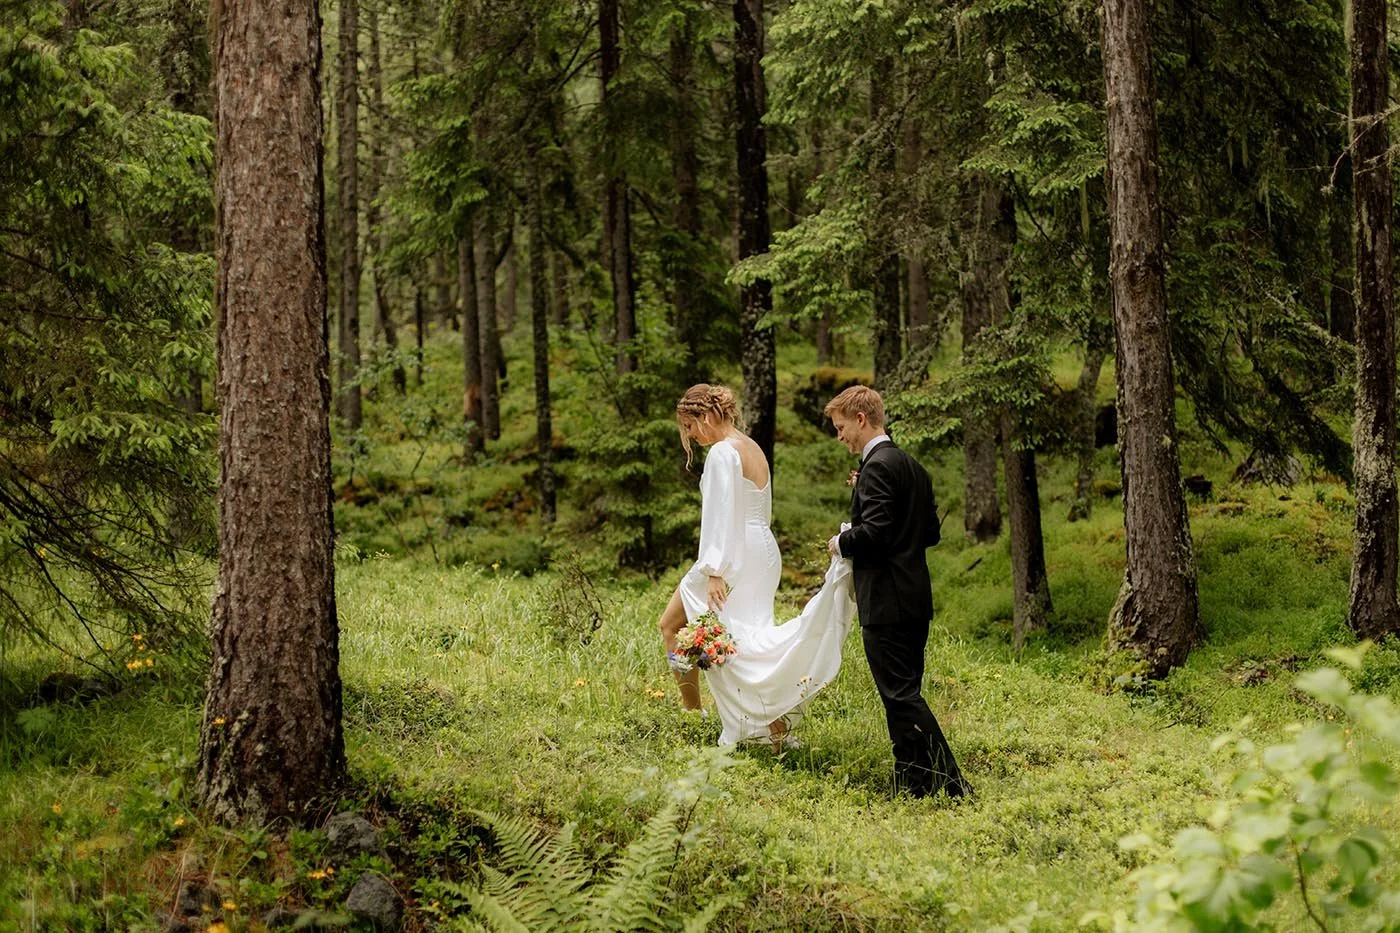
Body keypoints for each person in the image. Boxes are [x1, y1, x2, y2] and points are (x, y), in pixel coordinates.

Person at [658, 384, 856, 750]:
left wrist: (715, 570)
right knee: (745, 639)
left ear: (707, 416)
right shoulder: (750, 446)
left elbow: (721, 510)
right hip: (762, 551)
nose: (690, 436)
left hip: (732, 553)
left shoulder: (722, 451)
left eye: (689, 426)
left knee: (679, 627)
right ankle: (771, 724)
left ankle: (696, 715)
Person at [825, 385, 972, 799]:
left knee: (900, 695)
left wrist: (841, 542)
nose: (840, 437)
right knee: (904, 694)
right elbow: (930, 533)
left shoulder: (877, 468)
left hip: (886, 599)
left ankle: (952, 784)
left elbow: (875, 532)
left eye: (841, 428)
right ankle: (914, 780)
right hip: (914, 596)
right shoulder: (913, 467)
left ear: (860, 419)